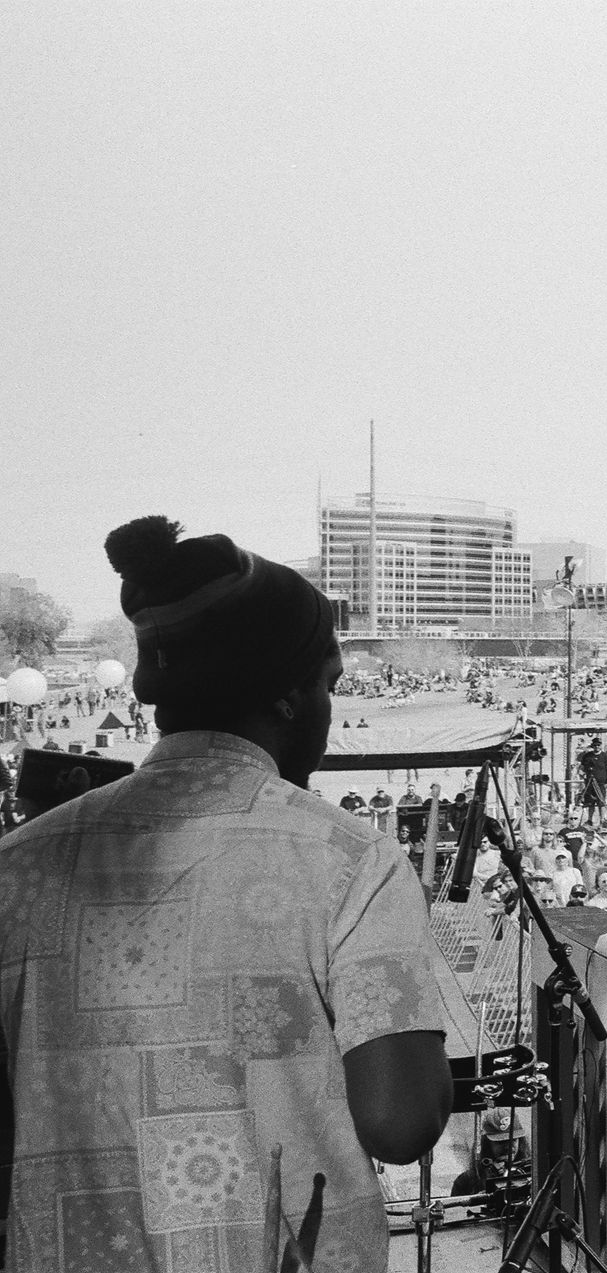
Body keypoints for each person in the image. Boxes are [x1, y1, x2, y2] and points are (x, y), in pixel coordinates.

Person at [1, 515, 452, 1273]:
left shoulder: (17, 864)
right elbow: (401, 1121)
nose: (329, 710)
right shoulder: (350, 860)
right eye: (328, 684)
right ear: (287, 696)